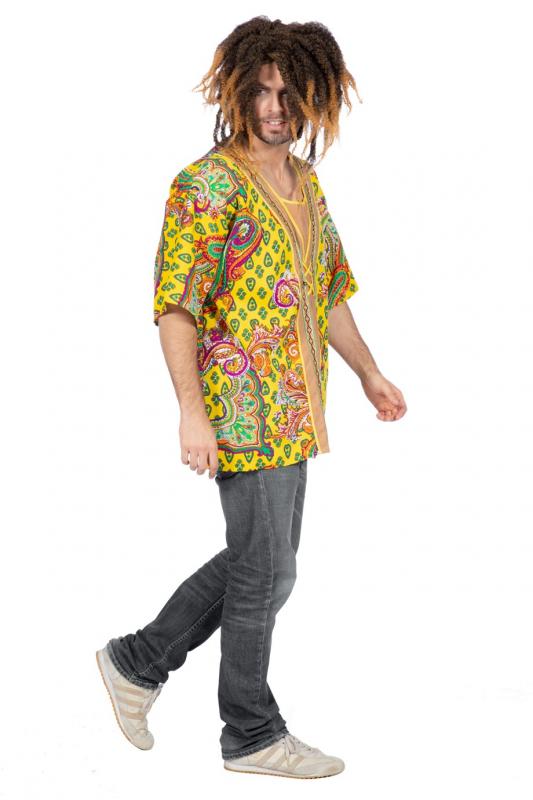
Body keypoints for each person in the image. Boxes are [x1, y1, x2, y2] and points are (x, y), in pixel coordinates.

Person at [96, 16, 407, 779]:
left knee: (267, 567)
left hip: (297, 410)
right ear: (236, 93)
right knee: (265, 570)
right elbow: (176, 305)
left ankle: (137, 661)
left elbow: (327, 292)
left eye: (290, 93)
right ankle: (250, 730)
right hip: (240, 409)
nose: (275, 108)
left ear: (315, 98)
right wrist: (191, 412)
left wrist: (368, 372)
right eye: (261, 91)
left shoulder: (305, 183)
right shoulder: (205, 186)